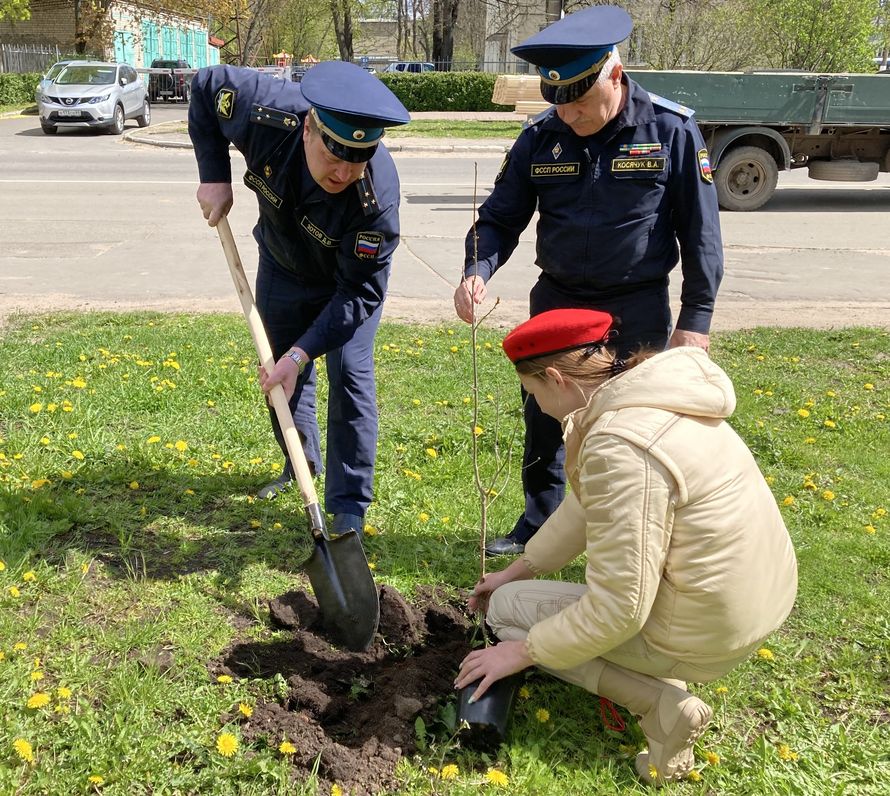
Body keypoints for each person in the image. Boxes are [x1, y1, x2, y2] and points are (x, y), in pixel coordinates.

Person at [455, 309, 798, 786]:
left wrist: (521, 652)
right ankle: (664, 670)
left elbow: (620, 607)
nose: (534, 405)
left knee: (508, 614)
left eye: (532, 393)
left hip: (708, 630)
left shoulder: (621, 444)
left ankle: (660, 703)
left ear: (554, 378)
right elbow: (584, 507)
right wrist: (519, 568)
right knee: (515, 594)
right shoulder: (653, 398)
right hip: (754, 602)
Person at [453, 5, 724, 557]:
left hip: (636, 307)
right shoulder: (541, 137)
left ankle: (627, 535)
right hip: (558, 303)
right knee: (545, 418)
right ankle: (540, 523)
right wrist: (476, 270)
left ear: (615, 75)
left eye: (579, 103)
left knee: (636, 425)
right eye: (559, 104)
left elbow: (701, 235)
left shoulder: (670, 131)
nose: (569, 116)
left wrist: (695, 323)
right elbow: (501, 217)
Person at [189, 61, 410, 536]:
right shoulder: (264, 114)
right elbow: (205, 87)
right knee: (281, 375)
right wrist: (214, 174)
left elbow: (359, 294)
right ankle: (300, 465)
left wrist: (303, 350)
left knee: (351, 374)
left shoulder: (376, 202)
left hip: (343, 286)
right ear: (309, 127)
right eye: (334, 156)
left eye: (357, 160)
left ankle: (348, 508)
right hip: (284, 266)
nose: (344, 172)